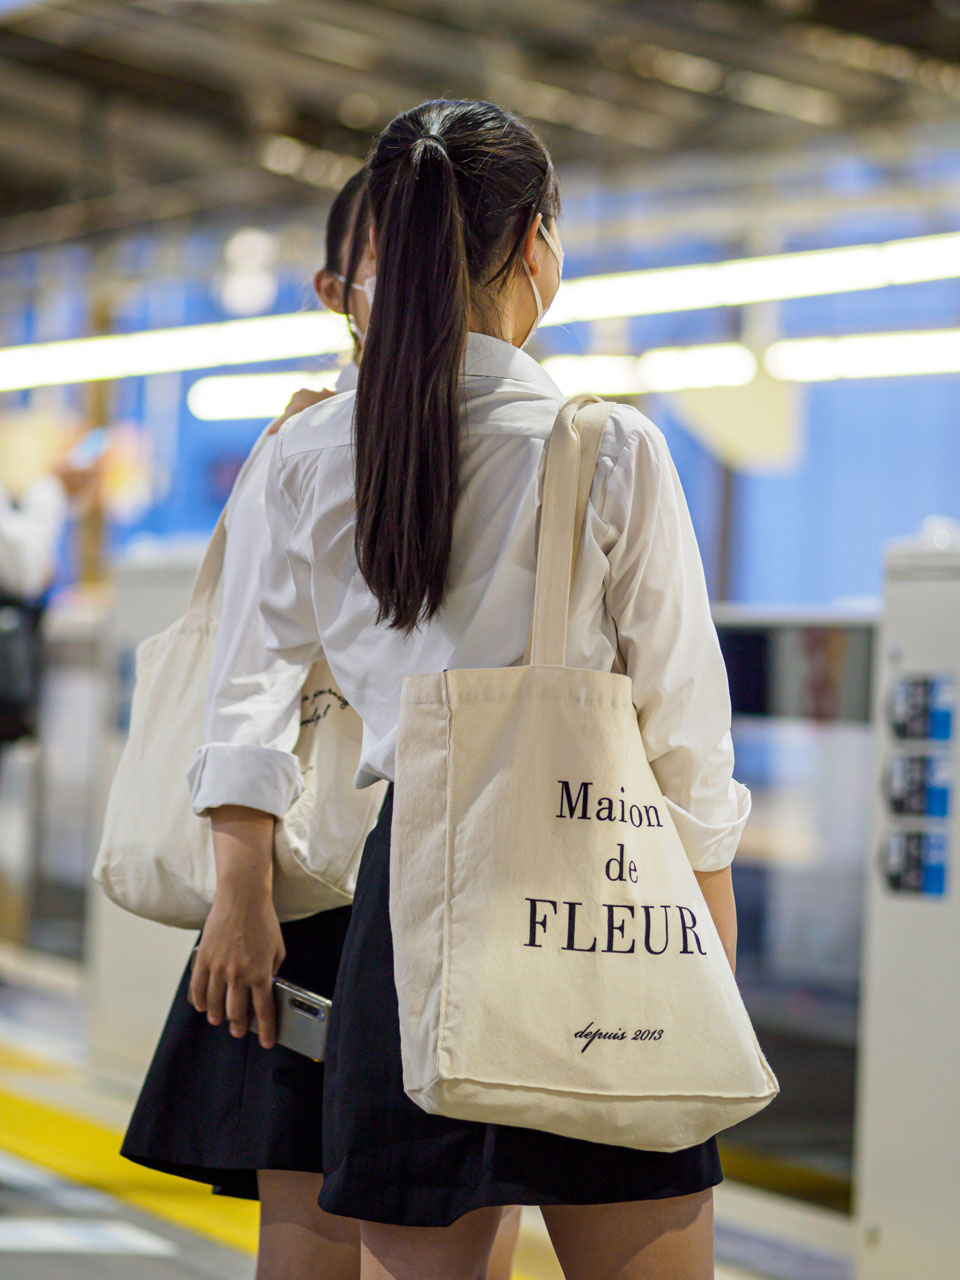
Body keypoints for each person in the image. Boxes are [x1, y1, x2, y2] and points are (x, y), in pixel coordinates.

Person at [188, 98, 749, 1279]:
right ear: (536, 243)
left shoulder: (306, 454)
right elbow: (684, 726)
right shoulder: (609, 447)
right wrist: (710, 909)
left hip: (412, 905)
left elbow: (245, 686)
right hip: (599, 886)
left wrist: (238, 884)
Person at [119, 168, 523, 1280]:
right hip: (307, 888)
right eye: (387, 266)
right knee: (309, 1227)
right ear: (335, 288)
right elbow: (245, 674)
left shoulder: (534, 430)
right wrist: (238, 891)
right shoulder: (306, 444)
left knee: (457, 1223)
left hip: (460, 871)